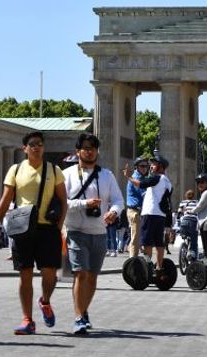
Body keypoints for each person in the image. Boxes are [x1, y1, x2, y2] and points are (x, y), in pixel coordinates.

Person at [0, 131, 68, 335]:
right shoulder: (16, 169)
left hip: (48, 228)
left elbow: (63, 201)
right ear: (25, 149)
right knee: (25, 274)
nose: (37, 147)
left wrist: (59, 227)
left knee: (50, 274)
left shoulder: (53, 169)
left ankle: (45, 301)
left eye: (40, 144)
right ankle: (27, 320)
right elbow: (4, 201)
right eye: (32, 144)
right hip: (23, 229)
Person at [63, 133, 124, 334]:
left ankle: (84, 310)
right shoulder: (68, 174)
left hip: (99, 232)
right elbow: (61, 203)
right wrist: (84, 203)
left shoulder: (107, 175)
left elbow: (118, 200)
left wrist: (113, 212)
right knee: (80, 274)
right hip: (76, 231)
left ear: (97, 151)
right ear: (78, 151)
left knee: (92, 277)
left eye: (93, 148)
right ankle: (79, 317)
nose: (89, 151)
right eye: (86, 148)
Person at [123, 155, 172, 279]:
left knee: (147, 243)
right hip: (160, 215)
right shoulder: (167, 181)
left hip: (150, 213)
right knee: (159, 243)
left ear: (160, 167)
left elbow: (140, 184)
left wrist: (128, 177)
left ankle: (148, 269)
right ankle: (159, 268)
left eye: (154, 164)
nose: (151, 166)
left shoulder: (157, 178)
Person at [125, 157, 148, 257]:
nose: (145, 168)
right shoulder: (136, 178)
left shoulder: (142, 178)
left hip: (139, 212)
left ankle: (137, 261)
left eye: (146, 166)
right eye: (142, 166)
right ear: (136, 167)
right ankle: (132, 264)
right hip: (135, 211)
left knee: (139, 239)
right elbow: (145, 194)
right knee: (135, 239)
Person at [178, 189, 198, 258]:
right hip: (192, 222)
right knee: (194, 240)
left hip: (184, 222)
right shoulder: (196, 202)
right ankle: (193, 256)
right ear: (193, 196)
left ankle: (184, 248)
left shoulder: (182, 202)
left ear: (186, 195)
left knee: (184, 236)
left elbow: (179, 212)